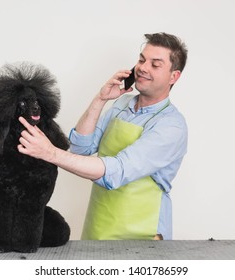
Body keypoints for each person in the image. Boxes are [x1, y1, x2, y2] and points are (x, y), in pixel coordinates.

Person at [18, 32, 188, 241]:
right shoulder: (122, 105)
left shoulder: (171, 126)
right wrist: (101, 99)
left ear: (174, 76)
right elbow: (81, 147)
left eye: (155, 64)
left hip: (142, 234)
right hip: (99, 224)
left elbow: (116, 172)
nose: (143, 67)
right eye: (142, 60)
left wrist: (50, 153)